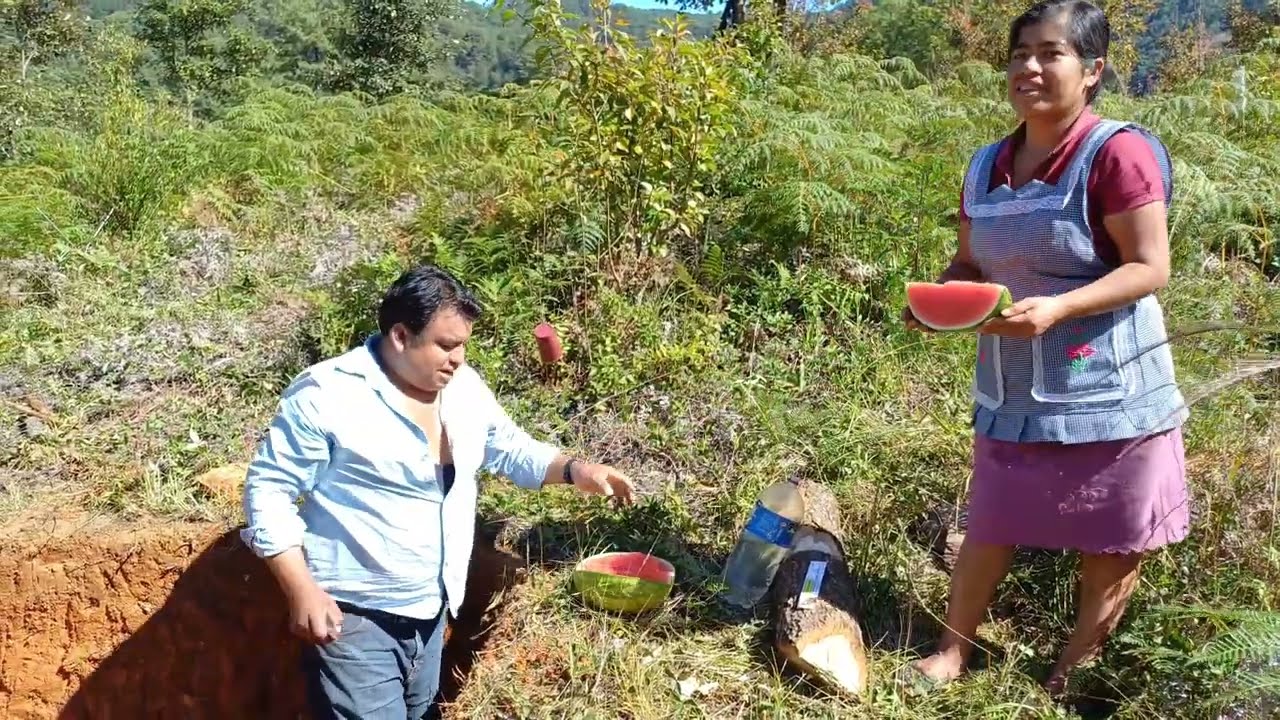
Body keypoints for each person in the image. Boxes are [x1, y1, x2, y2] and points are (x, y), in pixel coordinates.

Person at [901, 0, 1191, 697]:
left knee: (1112, 540)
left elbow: (1150, 266)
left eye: (1050, 53)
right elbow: (969, 267)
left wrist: (1060, 306)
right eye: (1019, 52)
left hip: (1112, 386)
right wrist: (946, 298)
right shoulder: (984, 164)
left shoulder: (1117, 151)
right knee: (992, 522)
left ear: (1092, 70)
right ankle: (952, 651)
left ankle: (1076, 667)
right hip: (1013, 384)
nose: (1029, 67)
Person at [240, 264, 636, 719]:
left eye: (463, 344)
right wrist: (301, 590)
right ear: (401, 336)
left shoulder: (462, 388)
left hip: (432, 611)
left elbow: (508, 447)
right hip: (356, 617)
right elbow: (269, 492)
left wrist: (576, 470)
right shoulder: (328, 395)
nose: (458, 358)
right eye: (446, 346)